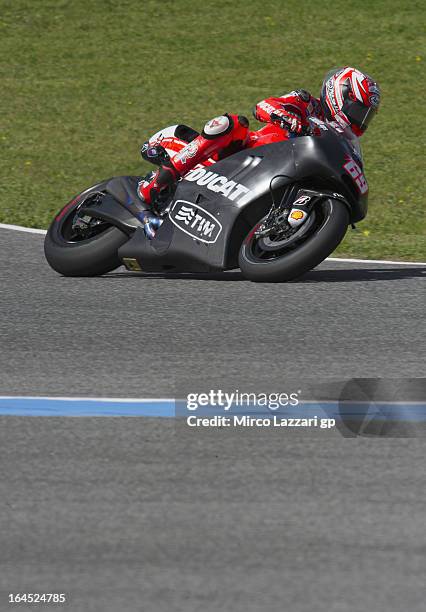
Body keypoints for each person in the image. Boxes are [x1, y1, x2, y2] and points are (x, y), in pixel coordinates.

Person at [138, 66, 380, 237]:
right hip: (242, 157)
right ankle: (155, 187)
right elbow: (264, 107)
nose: (360, 120)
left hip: (269, 179)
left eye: (366, 115)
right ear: (340, 95)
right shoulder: (306, 102)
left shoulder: (345, 143)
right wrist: (292, 120)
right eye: (357, 109)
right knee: (232, 124)